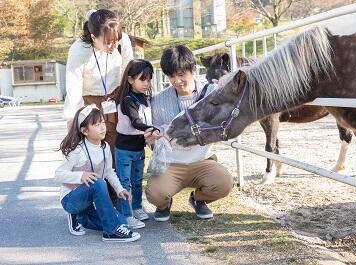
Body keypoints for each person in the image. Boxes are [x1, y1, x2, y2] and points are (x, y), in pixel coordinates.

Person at [144, 45, 234, 222]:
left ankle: (198, 199)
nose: (176, 81)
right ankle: (164, 204)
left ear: (193, 70)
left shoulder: (211, 94)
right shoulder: (159, 100)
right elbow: (153, 137)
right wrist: (153, 138)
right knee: (154, 194)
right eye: (171, 76)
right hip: (172, 163)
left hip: (202, 161)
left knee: (224, 183)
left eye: (181, 74)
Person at [63, 9, 133, 203]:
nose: (113, 45)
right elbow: (73, 87)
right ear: (93, 37)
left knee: (117, 150)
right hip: (90, 103)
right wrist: (73, 124)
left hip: (115, 98)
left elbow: (129, 69)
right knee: (94, 153)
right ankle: (96, 200)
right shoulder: (79, 50)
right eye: (107, 41)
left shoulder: (121, 40)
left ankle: (120, 199)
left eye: (116, 39)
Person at [55, 105, 140, 242]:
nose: (102, 127)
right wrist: (80, 176)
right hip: (71, 199)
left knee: (122, 222)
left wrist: (120, 189)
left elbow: (108, 172)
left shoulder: (105, 147)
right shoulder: (78, 150)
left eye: (103, 123)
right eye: (96, 124)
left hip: (88, 203)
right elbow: (58, 174)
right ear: (85, 131)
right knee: (98, 183)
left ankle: (82, 218)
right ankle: (110, 233)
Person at [115, 59, 160, 227]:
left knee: (137, 180)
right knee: (125, 182)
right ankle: (126, 215)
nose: (146, 83)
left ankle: (136, 207)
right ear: (130, 80)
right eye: (142, 79)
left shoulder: (144, 98)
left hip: (138, 149)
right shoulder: (127, 100)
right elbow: (135, 122)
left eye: (148, 79)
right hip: (124, 149)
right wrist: (151, 128)